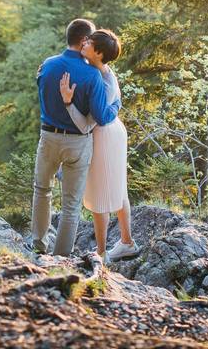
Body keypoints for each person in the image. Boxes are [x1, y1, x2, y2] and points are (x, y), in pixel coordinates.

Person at [31, 19, 120, 256]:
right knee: (71, 205)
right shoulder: (92, 76)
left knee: (42, 190)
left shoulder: (47, 66)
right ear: (83, 41)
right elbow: (102, 116)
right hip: (78, 143)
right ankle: (61, 257)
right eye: (90, 39)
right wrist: (117, 106)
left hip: (48, 136)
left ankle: (38, 246)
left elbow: (40, 85)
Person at [59, 29, 140, 262]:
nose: (84, 43)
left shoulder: (101, 79)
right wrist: (117, 108)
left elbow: (96, 120)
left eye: (89, 42)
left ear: (99, 52)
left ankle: (102, 254)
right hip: (114, 131)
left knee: (99, 194)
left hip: (105, 134)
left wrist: (68, 103)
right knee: (117, 187)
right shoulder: (102, 69)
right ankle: (127, 242)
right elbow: (118, 100)